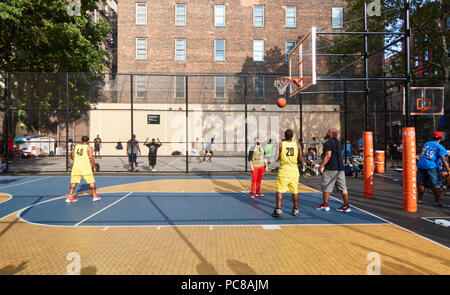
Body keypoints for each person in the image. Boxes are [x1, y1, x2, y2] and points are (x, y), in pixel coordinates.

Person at [317, 128, 351, 212]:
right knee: (343, 188)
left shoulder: (328, 143)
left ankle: (325, 205)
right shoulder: (338, 143)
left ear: (331, 133)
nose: (327, 131)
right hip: (340, 169)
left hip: (331, 168)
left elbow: (328, 155)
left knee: (326, 187)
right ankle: (346, 205)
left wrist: (321, 166)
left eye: (328, 131)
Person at [272, 129, 303, 218]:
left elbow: (276, 158)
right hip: (294, 171)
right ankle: (296, 209)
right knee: (295, 191)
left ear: (284, 136)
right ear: (292, 136)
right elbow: (300, 159)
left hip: (284, 171)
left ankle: (278, 210)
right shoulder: (297, 144)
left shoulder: (281, 144)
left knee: (280, 190)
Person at [417, 132, 450, 206]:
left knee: (421, 182)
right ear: (440, 138)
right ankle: (438, 201)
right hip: (431, 166)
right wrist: (448, 169)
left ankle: (420, 199)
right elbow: (443, 159)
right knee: (436, 184)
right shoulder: (439, 146)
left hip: (421, 164)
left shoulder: (426, 143)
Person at [65, 136, 101, 203]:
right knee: (91, 182)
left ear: (81, 140)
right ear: (88, 141)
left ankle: (70, 197)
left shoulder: (77, 146)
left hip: (76, 167)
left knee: (73, 183)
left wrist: (75, 160)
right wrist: (94, 167)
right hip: (85, 167)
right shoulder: (89, 148)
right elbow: (91, 158)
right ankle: (94, 196)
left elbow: (72, 155)